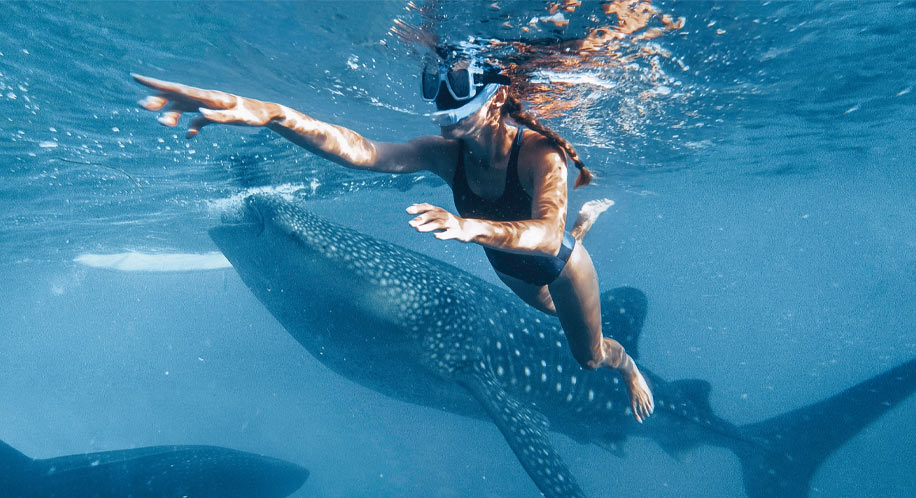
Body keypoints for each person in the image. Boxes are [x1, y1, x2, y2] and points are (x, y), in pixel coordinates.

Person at [131, 55, 654, 422]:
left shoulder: (542, 153)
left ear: (496, 100)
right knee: (539, 302)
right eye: (436, 93)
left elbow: (543, 234)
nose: (440, 106)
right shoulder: (445, 152)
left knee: (587, 354)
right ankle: (584, 225)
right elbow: (362, 151)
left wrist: (469, 227)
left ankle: (627, 364)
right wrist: (272, 115)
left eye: (456, 97)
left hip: (555, 262)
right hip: (510, 267)